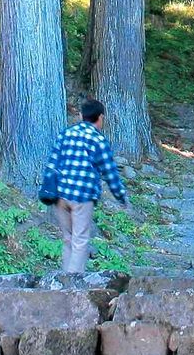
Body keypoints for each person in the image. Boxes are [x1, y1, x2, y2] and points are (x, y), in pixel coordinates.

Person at [39, 99, 130, 274]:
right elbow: (110, 172)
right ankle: (74, 283)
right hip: (82, 196)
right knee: (80, 240)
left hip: (60, 195)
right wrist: (121, 196)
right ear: (101, 117)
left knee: (68, 238)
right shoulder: (98, 140)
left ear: (81, 116)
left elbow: (52, 163)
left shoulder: (66, 134)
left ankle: (64, 279)